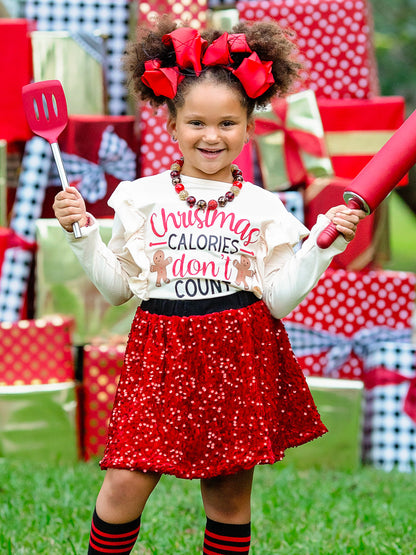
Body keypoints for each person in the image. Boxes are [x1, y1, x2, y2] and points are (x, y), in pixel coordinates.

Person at [53, 16, 365, 555]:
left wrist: (323, 244)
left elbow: (282, 297)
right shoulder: (139, 198)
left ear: (248, 126)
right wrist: (83, 234)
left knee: (225, 492)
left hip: (237, 347)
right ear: (172, 125)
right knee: (125, 479)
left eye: (227, 123)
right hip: (162, 350)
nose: (211, 136)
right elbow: (118, 290)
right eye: (196, 122)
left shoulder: (266, 208)